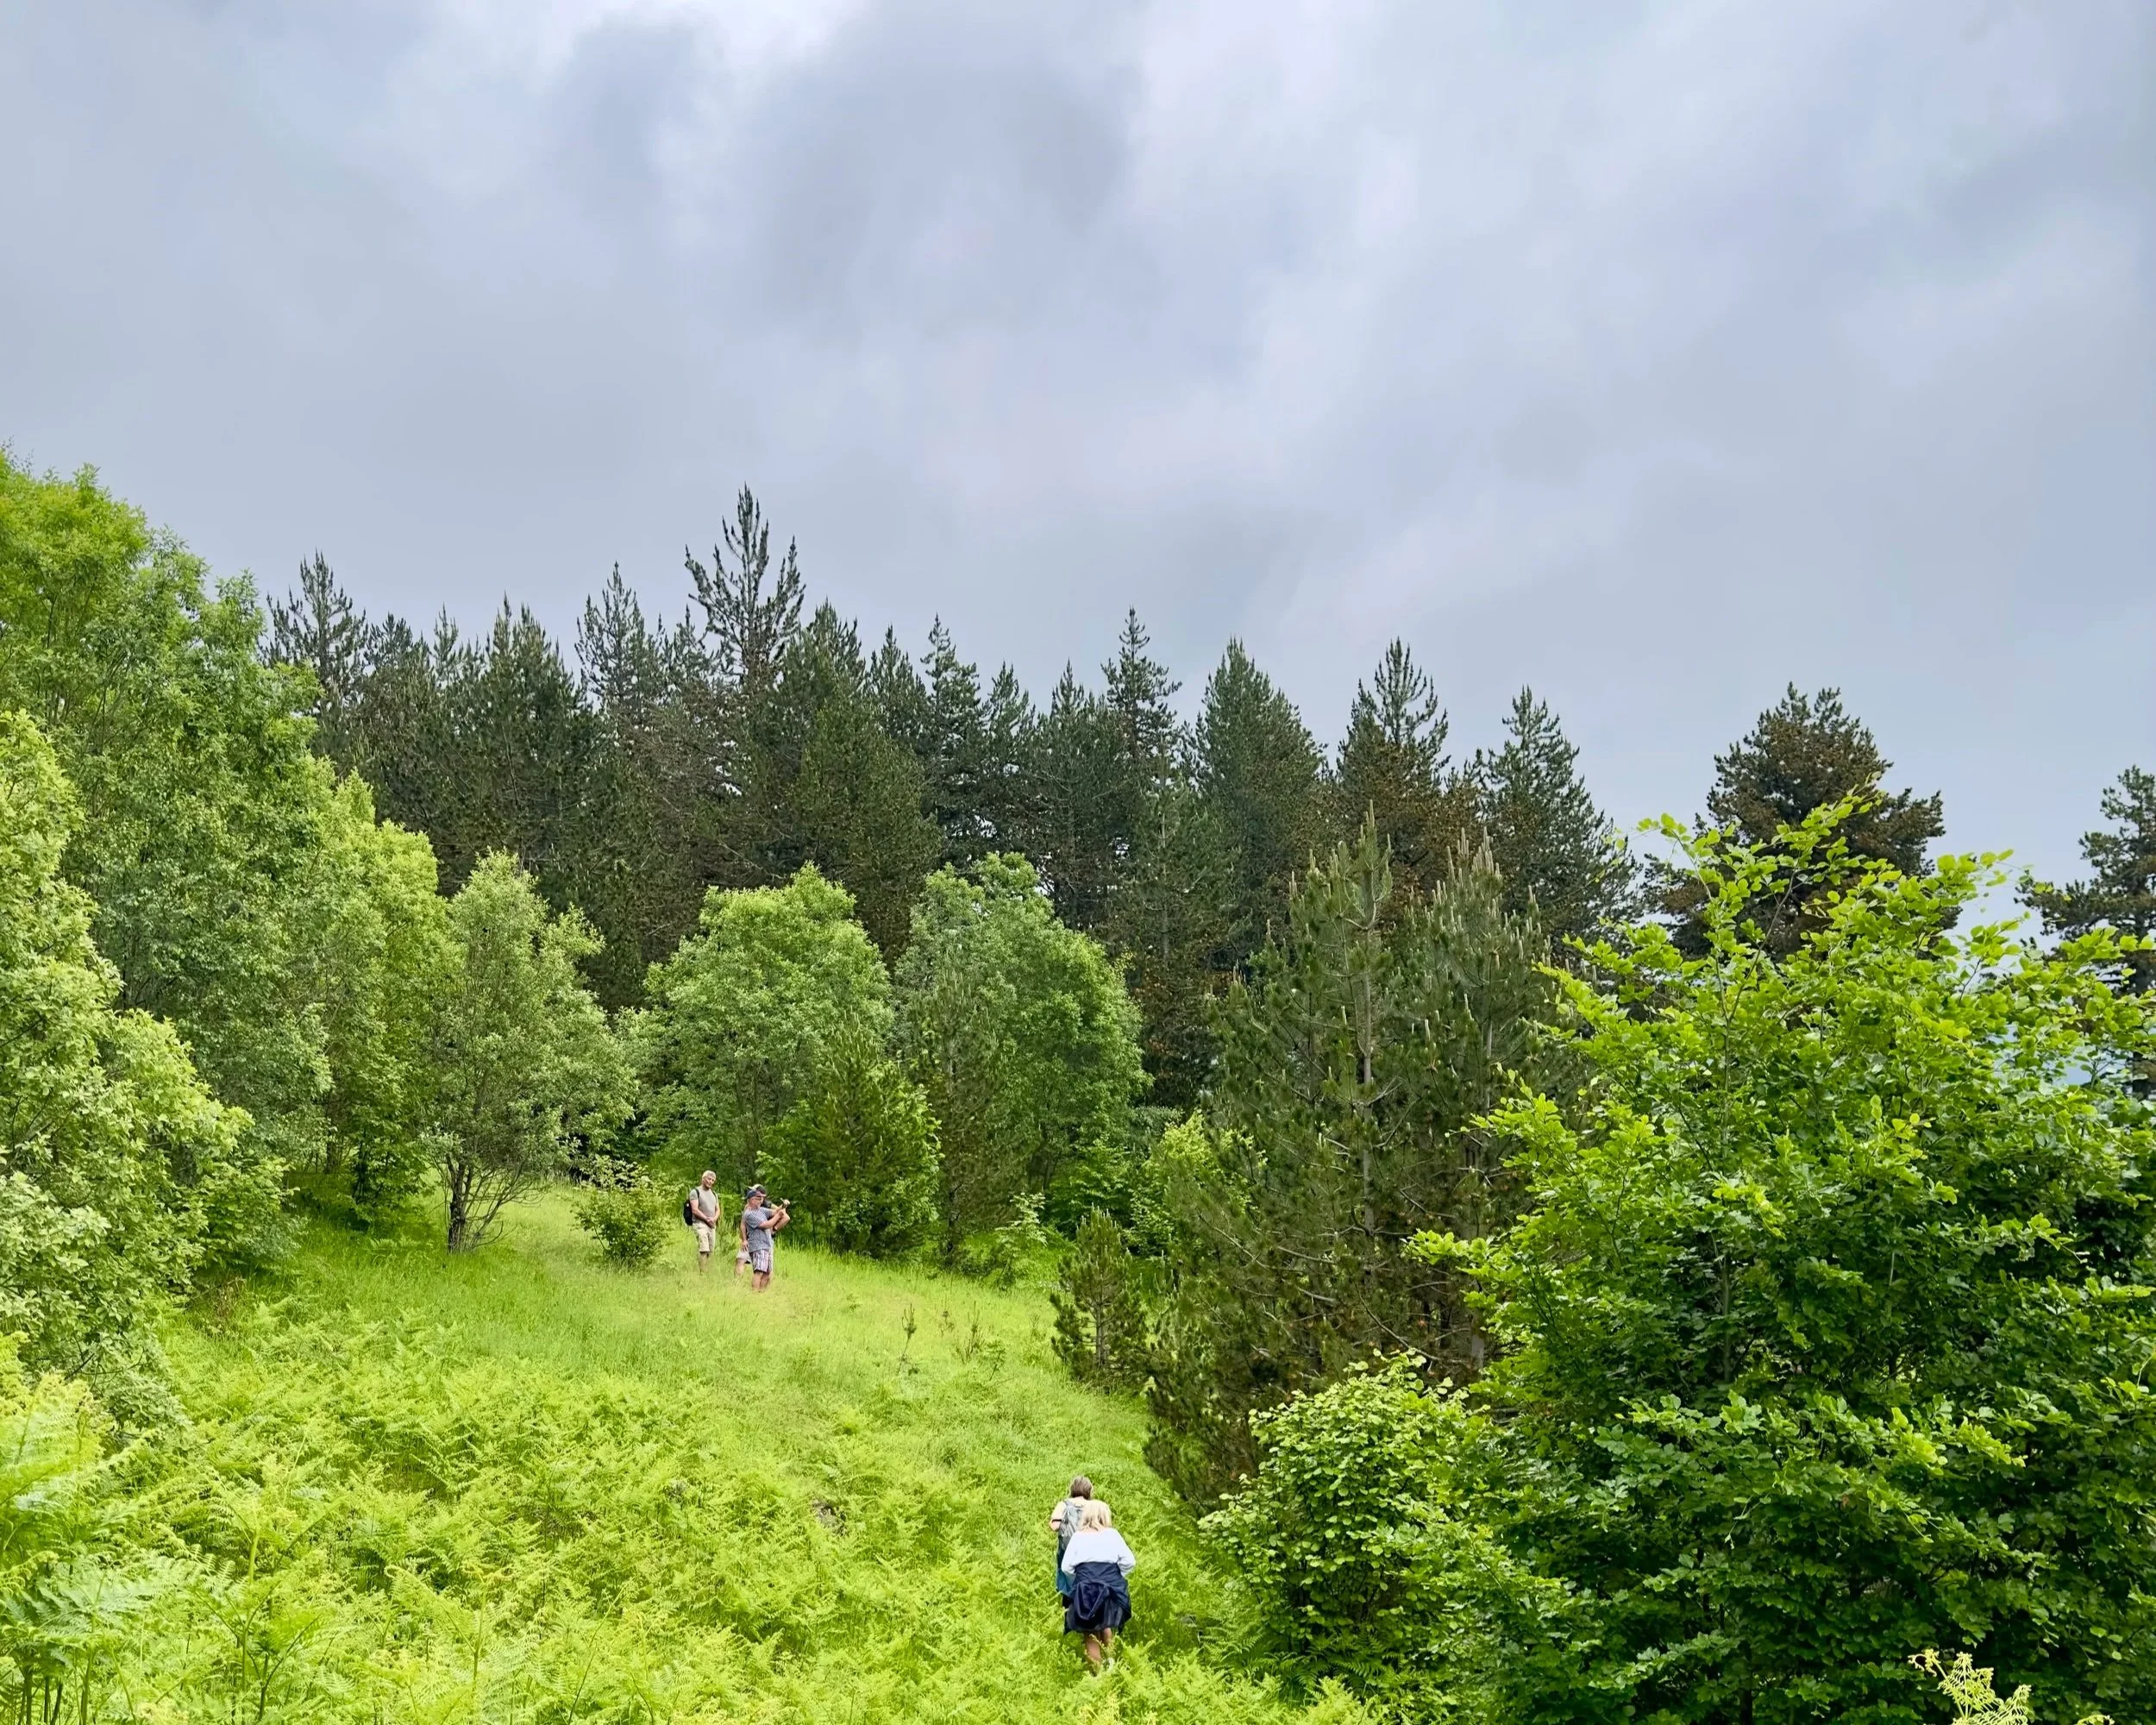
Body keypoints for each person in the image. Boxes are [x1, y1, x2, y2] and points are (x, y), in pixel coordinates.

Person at [1059, 1499, 1134, 1672]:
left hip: (1085, 1590)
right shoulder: (1113, 1535)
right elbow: (1130, 1561)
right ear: (1105, 1515)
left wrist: (1079, 1577)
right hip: (1110, 1589)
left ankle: (1099, 1677)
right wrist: (1116, 1575)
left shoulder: (1078, 1537)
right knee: (1106, 1622)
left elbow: (1066, 1567)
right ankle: (1111, 1664)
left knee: (1090, 1632)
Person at [1046, 1477, 1094, 1602]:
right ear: (1089, 1490)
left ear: (1072, 1489)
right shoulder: (1093, 1506)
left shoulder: (1064, 1504)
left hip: (1067, 1553)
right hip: (1088, 1555)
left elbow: (1054, 1526)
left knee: (1068, 1589)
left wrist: (1066, 1523)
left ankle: (1069, 1614)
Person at [740, 1184, 789, 1291]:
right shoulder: (749, 1214)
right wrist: (779, 1215)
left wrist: (783, 1206)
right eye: (757, 1199)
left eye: (761, 1198)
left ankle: (761, 1294)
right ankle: (754, 1293)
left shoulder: (760, 1210)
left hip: (766, 1245)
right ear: (751, 1200)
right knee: (759, 1271)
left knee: (767, 1272)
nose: (760, 1201)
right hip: (758, 1246)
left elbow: (775, 1212)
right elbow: (767, 1224)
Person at [686, 1171, 721, 1271]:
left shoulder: (714, 1194)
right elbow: (695, 1210)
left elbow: (718, 1209)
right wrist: (706, 1219)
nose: (710, 1181)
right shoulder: (695, 1192)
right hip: (700, 1224)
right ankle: (703, 1272)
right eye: (709, 1179)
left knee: (711, 1251)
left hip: (712, 1225)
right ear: (703, 1178)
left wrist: (714, 1219)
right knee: (704, 1249)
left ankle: (708, 1271)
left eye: (713, 1180)